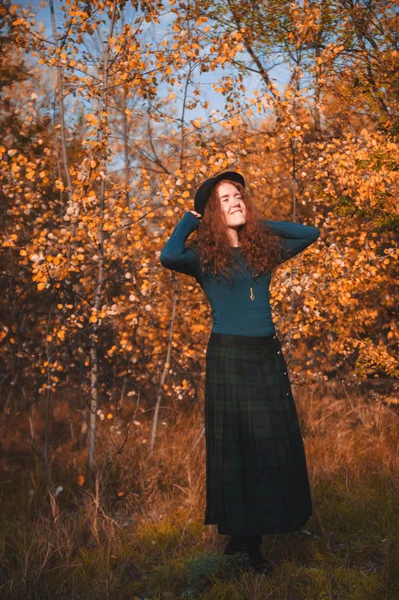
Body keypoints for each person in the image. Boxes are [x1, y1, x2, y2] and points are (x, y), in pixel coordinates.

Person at [160, 171, 320, 574]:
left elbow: (309, 233)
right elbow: (168, 254)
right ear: (212, 211)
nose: (234, 201)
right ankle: (245, 547)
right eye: (224, 199)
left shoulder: (263, 250)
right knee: (238, 450)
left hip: (267, 356)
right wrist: (192, 216)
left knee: (269, 446)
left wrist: (255, 223)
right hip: (229, 357)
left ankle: (248, 541)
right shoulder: (202, 257)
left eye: (238, 196)